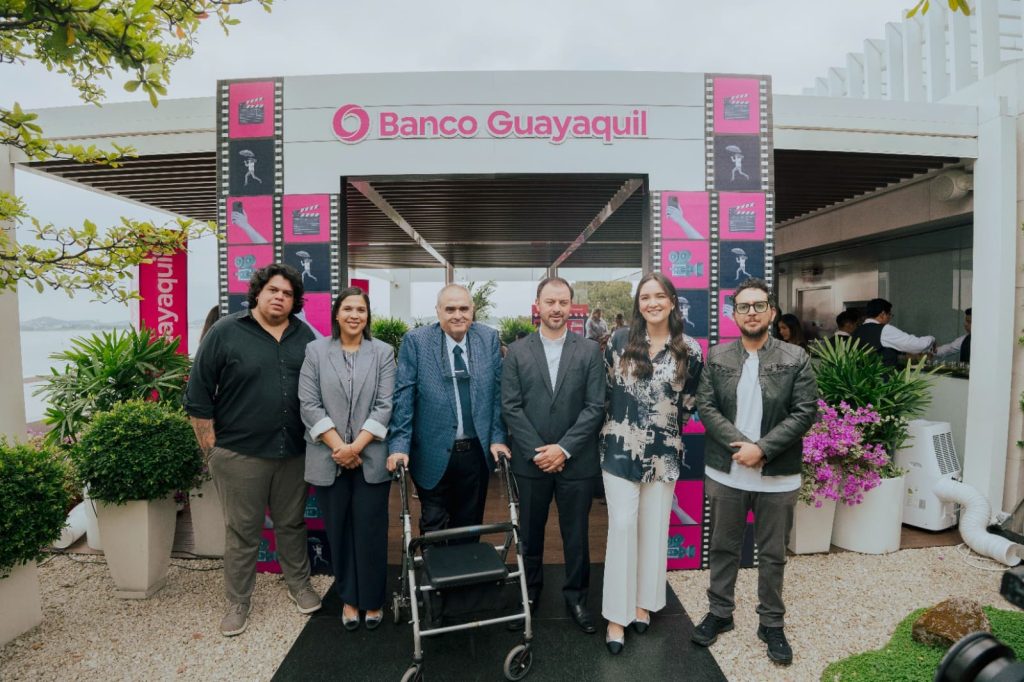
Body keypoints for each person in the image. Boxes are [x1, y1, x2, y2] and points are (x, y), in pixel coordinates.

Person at [184, 263, 322, 637]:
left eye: (288, 293)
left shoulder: (304, 336)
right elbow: (198, 395)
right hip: (240, 454)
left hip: (293, 452)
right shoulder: (225, 332)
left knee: (292, 523)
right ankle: (238, 602)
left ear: (295, 301)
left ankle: (299, 585)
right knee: (243, 531)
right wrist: (211, 451)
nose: (280, 297)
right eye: (273, 290)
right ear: (257, 293)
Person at [691, 278, 817, 665]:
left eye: (759, 306)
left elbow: (804, 412)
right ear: (733, 315)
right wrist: (742, 447)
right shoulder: (717, 357)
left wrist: (762, 449)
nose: (751, 313)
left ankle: (771, 623)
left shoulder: (796, 357)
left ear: (772, 312)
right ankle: (720, 613)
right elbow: (706, 407)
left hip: (778, 475)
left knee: (773, 554)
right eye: (744, 307)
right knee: (723, 547)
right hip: (727, 472)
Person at [600, 272, 702, 655]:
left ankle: (643, 603)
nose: (652, 303)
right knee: (623, 527)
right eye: (645, 297)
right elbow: (606, 392)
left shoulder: (690, 350)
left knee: (654, 529)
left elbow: (689, 402)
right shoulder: (619, 341)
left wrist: (665, 432)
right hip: (618, 449)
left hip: (664, 453)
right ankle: (616, 615)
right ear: (638, 304)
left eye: (660, 296)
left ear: (672, 301)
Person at [501, 277, 606, 634]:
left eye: (563, 302)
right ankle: (529, 594)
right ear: (538, 305)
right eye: (550, 302)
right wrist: (539, 452)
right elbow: (511, 407)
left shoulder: (589, 351)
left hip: (576, 461)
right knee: (529, 535)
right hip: (531, 463)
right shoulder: (517, 352)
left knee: (576, 536)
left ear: (571, 306)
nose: (557, 308)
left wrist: (563, 448)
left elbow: (595, 407)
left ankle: (576, 598)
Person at [298, 287, 396, 632]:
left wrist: (356, 448)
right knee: (338, 531)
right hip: (328, 457)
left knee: (371, 531)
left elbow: (385, 405)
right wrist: (340, 447)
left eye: (361, 309)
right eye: (348, 309)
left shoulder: (383, 352)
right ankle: (349, 598)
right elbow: (309, 404)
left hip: (371, 458)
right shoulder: (315, 351)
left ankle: (372, 599)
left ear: (368, 316)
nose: (355, 315)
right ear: (337, 314)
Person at [387, 284, 510, 535]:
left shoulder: (488, 338)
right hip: (431, 451)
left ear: (473, 310)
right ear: (438, 311)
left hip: (475, 454)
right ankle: (433, 562)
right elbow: (404, 397)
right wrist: (399, 446)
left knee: (469, 528)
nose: (458, 315)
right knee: (434, 526)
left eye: (464, 308)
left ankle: (465, 561)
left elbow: (498, 394)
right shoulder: (417, 341)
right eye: (450, 309)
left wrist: (498, 438)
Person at [851, 298, 934, 367]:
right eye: (889, 315)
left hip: (860, 379)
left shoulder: (857, 331)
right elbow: (917, 345)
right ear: (882, 314)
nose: (890, 319)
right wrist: (931, 339)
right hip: (882, 380)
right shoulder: (884, 330)